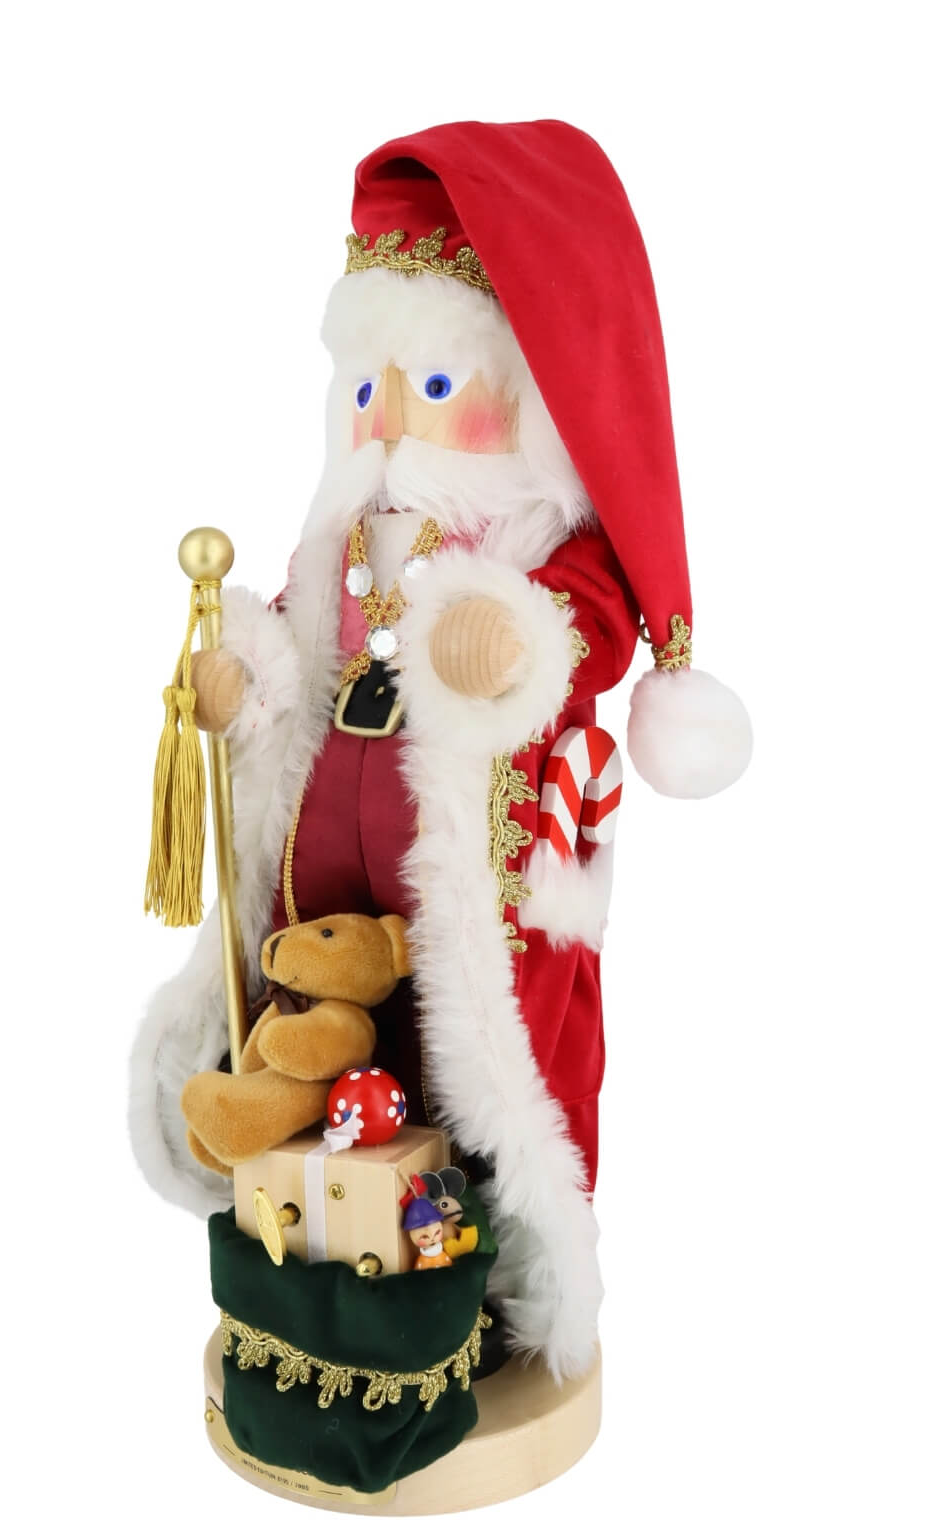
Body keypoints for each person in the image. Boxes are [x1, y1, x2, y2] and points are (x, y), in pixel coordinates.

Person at [131, 119, 751, 1382]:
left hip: (473, 883)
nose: (386, 422)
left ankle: (467, 1284)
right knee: (318, 1017)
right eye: (368, 390)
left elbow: (586, 623)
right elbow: (297, 648)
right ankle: (306, 1234)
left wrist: (505, 638)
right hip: (326, 880)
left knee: (464, 1060)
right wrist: (243, 673)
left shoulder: (533, 536)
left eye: (427, 386)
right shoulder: (340, 543)